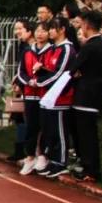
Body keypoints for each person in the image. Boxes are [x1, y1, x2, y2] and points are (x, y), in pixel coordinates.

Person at [67, 11, 102, 182]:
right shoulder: (100, 45)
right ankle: (90, 168)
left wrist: (77, 73)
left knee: (86, 135)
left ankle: (90, 169)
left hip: (86, 97)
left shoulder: (90, 46)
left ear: (87, 25)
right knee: (88, 134)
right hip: (93, 95)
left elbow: (73, 68)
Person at [33, 17, 76, 178]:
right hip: (48, 97)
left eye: (53, 28)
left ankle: (62, 162)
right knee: (49, 130)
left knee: (60, 131)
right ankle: (52, 158)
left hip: (61, 97)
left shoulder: (67, 49)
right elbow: (49, 69)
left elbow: (60, 73)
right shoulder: (53, 49)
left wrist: (40, 82)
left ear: (62, 29)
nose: (50, 31)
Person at [17, 21, 51, 175]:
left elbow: (53, 71)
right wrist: (29, 82)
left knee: (44, 126)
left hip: (45, 95)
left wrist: (40, 81)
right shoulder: (27, 51)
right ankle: (30, 156)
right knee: (31, 126)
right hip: (30, 94)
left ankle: (43, 155)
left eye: (44, 31)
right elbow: (21, 72)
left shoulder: (52, 51)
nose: (40, 34)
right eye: (38, 31)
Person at [7, 20, 36, 161]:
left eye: (20, 29)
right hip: (22, 85)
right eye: (16, 29)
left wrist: (20, 81)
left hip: (30, 87)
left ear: (30, 31)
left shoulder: (32, 49)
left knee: (27, 119)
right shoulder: (23, 46)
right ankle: (20, 150)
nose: (17, 32)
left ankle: (27, 151)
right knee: (19, 117)